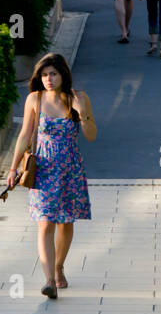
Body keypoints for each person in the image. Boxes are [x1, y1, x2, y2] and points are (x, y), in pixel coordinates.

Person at [6, 52, 96, 299]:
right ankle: (48, 281)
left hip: (70, 169)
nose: (48, 79)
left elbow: (90, 135)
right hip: (44, 170)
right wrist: (13, 169)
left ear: (63, 74)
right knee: (45, 223)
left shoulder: (79, 98)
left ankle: (58, 267)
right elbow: (24, 135)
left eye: (53, 74)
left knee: (66, 222)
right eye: (44, 75)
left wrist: (81, 113)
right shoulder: (34, 99)